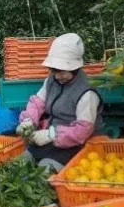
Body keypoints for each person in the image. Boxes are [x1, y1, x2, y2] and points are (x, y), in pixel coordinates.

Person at [16, 33, 104, 172]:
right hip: (53, 140)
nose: (57, 76)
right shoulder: (52, 80)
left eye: (62, 72)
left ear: (74, 69)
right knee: (22, 160)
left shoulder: (87, 93)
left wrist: (52, 135)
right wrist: (28, 120)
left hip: (78, 144)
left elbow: (83, 131)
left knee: (45, 169)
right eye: (54, 71)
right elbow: (37, 102)